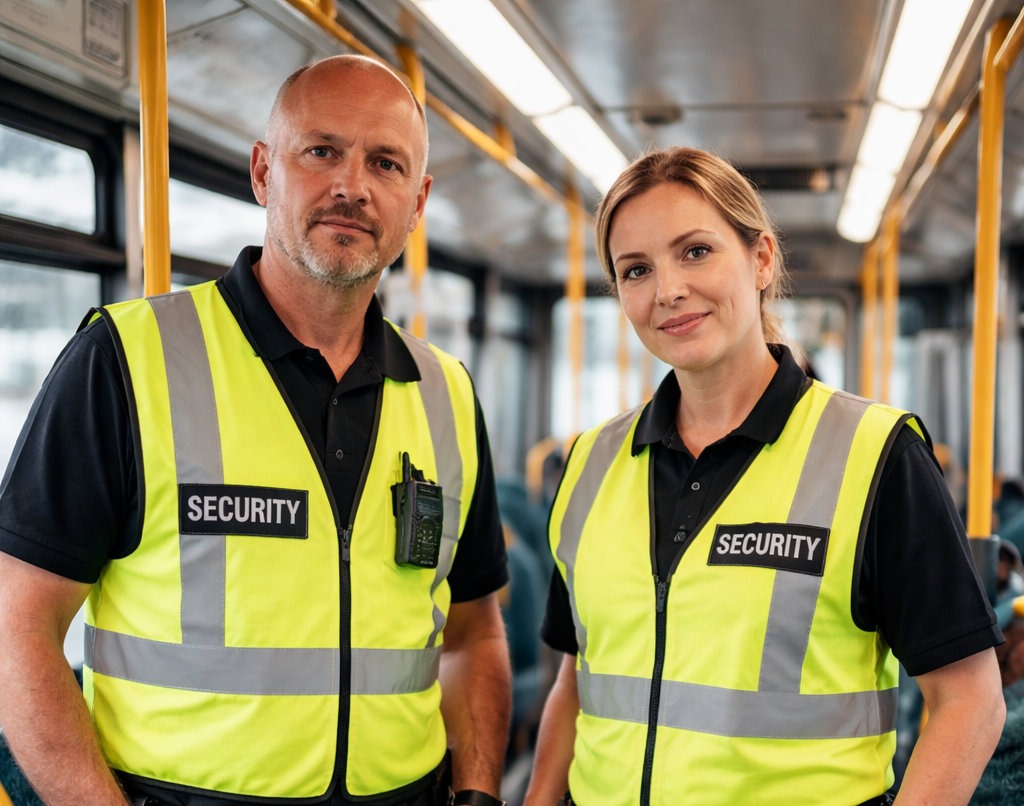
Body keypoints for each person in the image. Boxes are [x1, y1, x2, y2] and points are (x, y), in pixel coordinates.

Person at [0, 54, 512, 806]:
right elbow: (17, 624)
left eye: (386, 162)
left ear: (418, 199)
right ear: (264, 173)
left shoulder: (447, 394)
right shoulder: (127, 359)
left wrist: (475, 794)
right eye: (322, 151)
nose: (352, 185)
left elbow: (474, 633)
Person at [524, 146, 1005, 805]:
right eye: (636, 269)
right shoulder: (589, 465)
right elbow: (576, 682)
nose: (667, 289)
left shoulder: (875, 455)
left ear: (761, 259)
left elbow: (969, 700)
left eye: (695, 251)